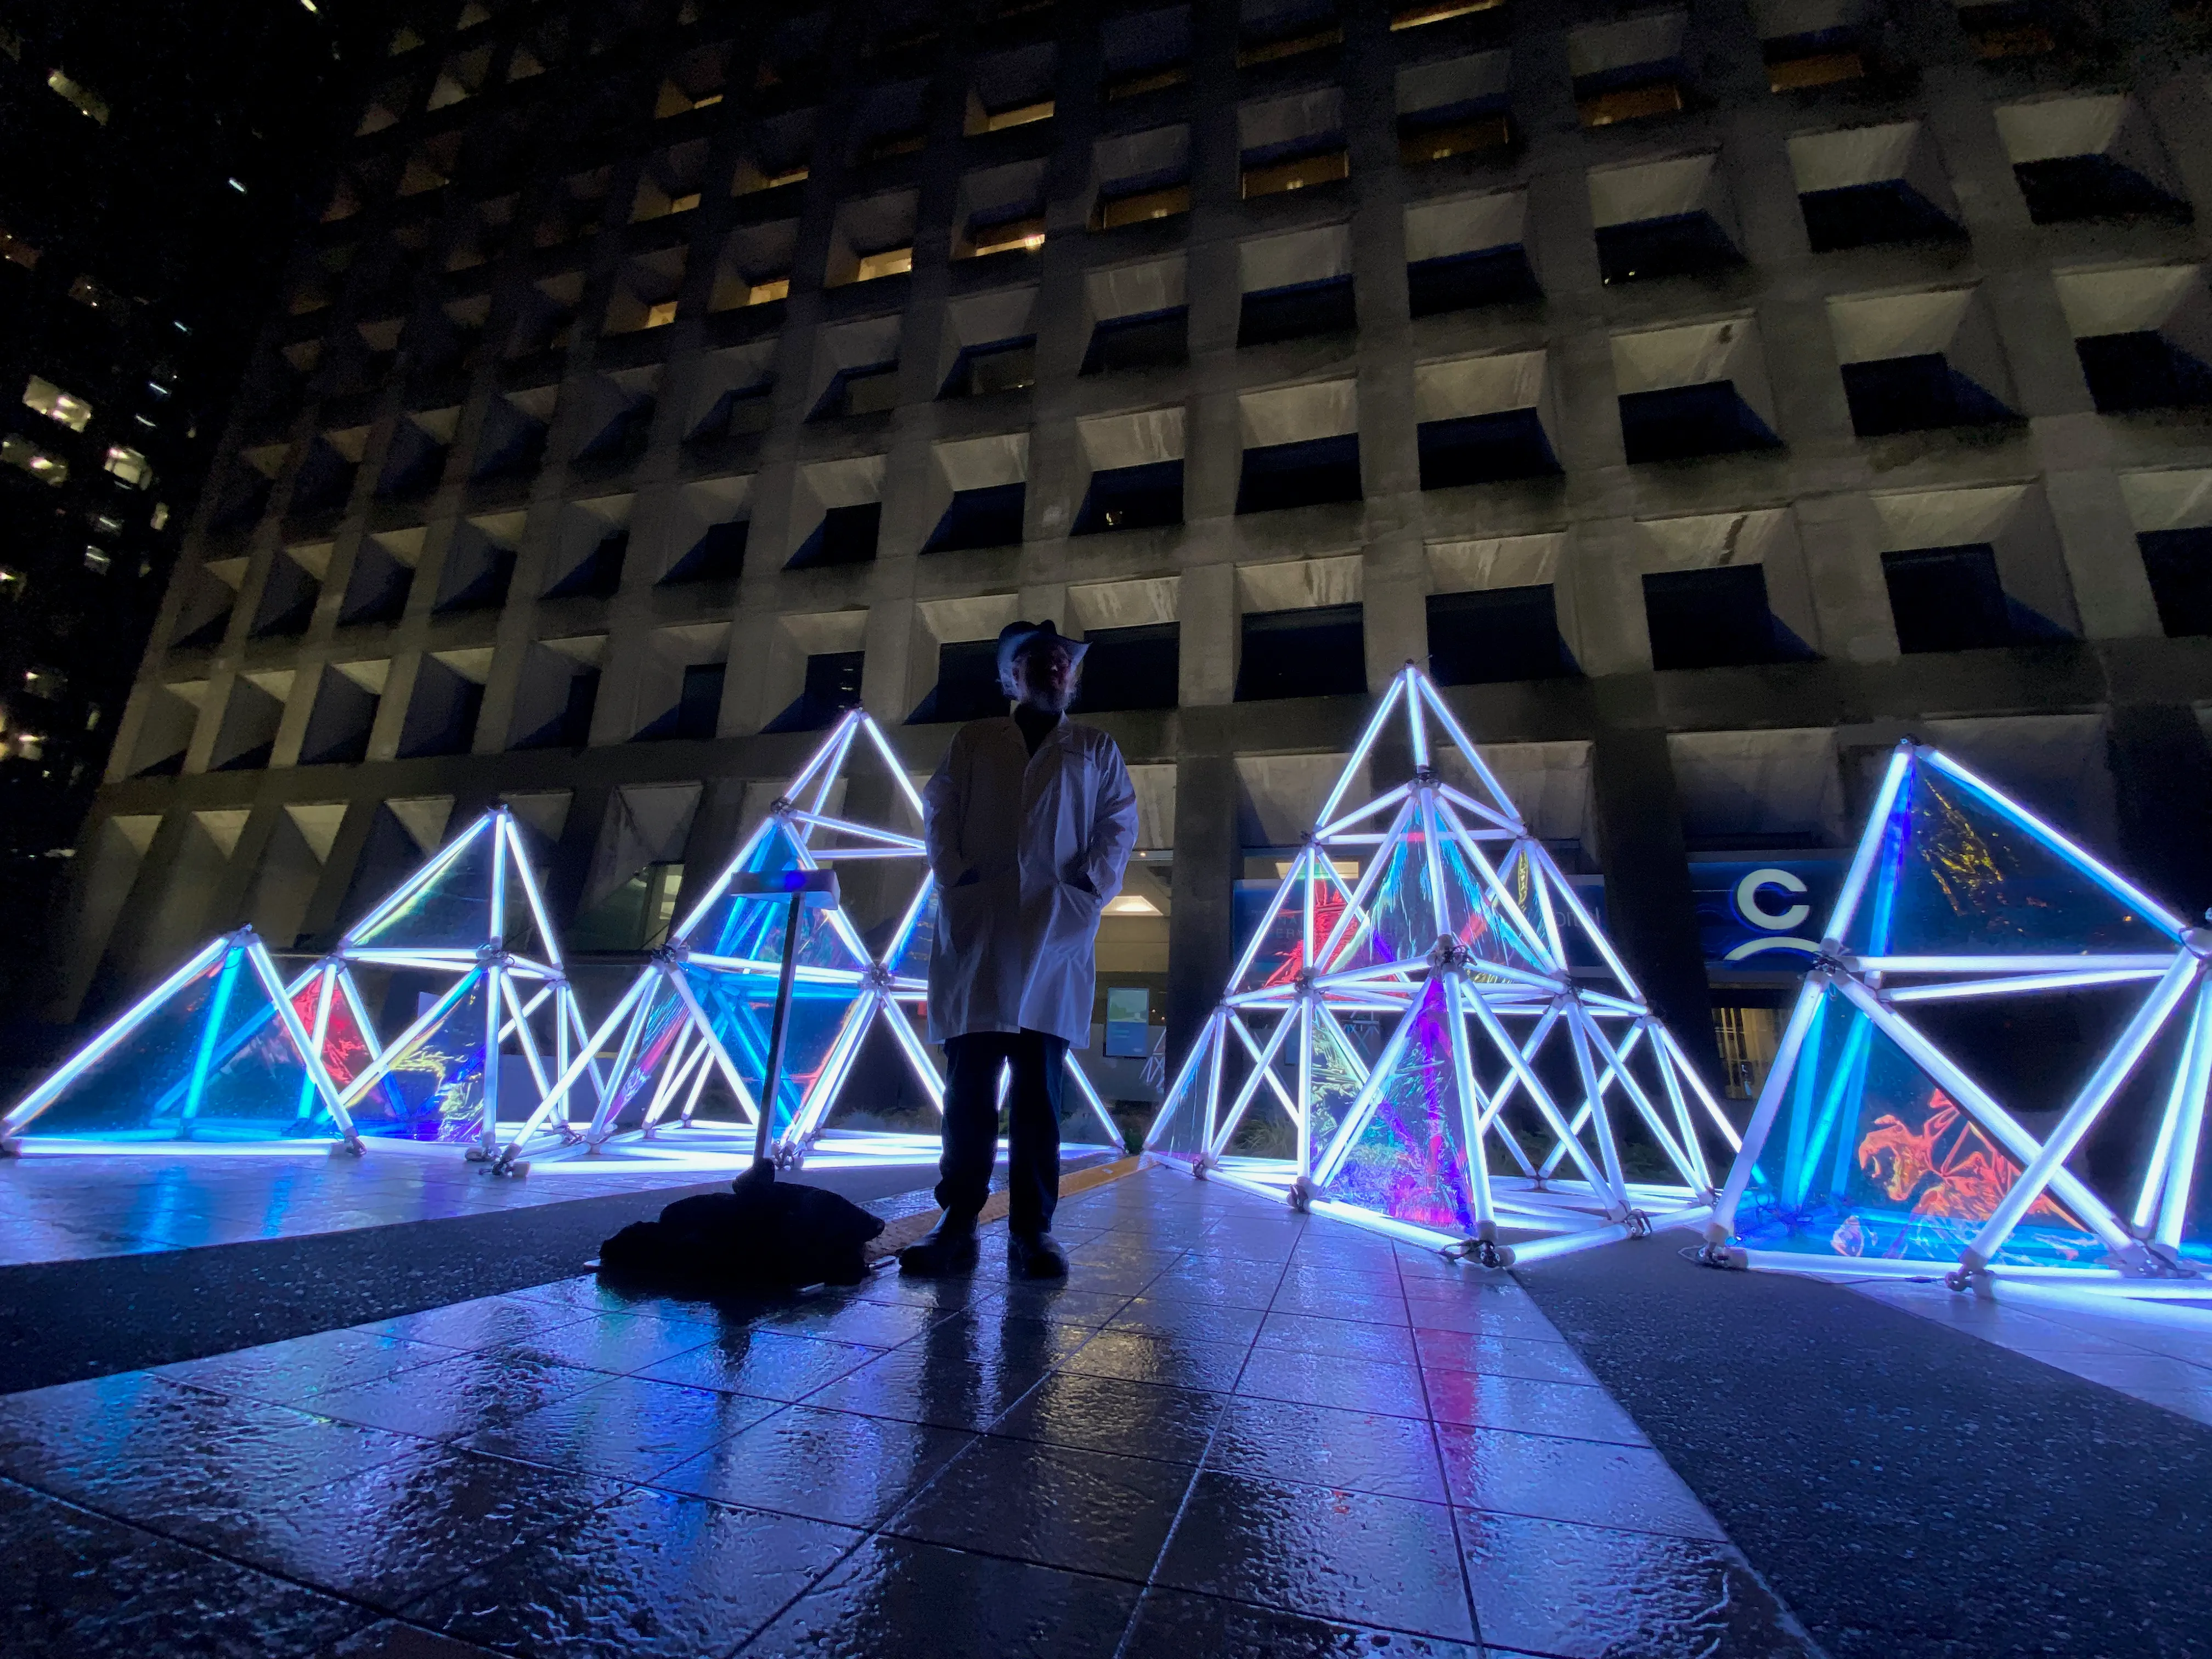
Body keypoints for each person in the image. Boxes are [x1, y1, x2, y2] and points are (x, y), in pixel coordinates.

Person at [900, 620, 1139, 1279]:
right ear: (1012, 675)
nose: (1053, 670)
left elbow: (1119, 821)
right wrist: (954, 874)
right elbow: (940, 807)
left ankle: (1034, 1229)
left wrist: (1088, 887)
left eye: (1063, 662)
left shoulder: (1095, 747)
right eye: (1038, 660)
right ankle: (957, 1219)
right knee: (970, 1089)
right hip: (982, 927)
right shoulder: (975, 740)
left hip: (1052, 933)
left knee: (1039, 1092)